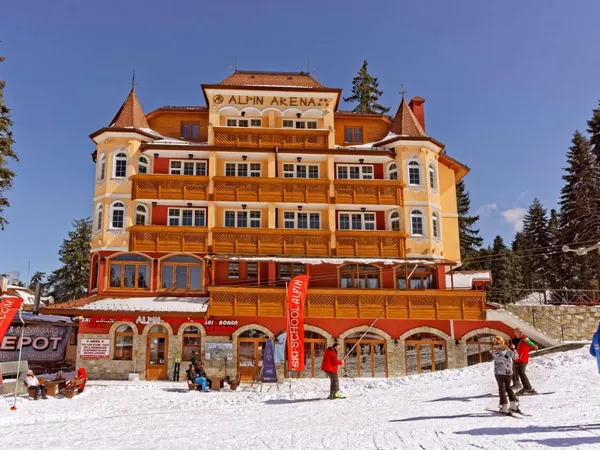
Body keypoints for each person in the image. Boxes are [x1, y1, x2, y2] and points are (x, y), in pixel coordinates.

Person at [490, 336, 518, 414]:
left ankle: (504, 406)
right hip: (508, 372)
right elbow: (516, 357)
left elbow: (497, 358)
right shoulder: (508, 350)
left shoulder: (494, 351)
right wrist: (513, 349)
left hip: (499, 372)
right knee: (508, 388)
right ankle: (513, 405)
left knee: (502, 389)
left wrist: (492, 349)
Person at [511, 328, 538, 395]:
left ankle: (528, 388)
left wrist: (534, 346)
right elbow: (513, 349)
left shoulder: (525, 339)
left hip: (523, 359)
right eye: (518, 332)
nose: (520, 333)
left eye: (521, 332)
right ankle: (518, 385)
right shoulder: (513, 340)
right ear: (515, 333)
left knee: (522, 373)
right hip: (516, 359)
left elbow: (532, 345)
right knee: (516, 372)